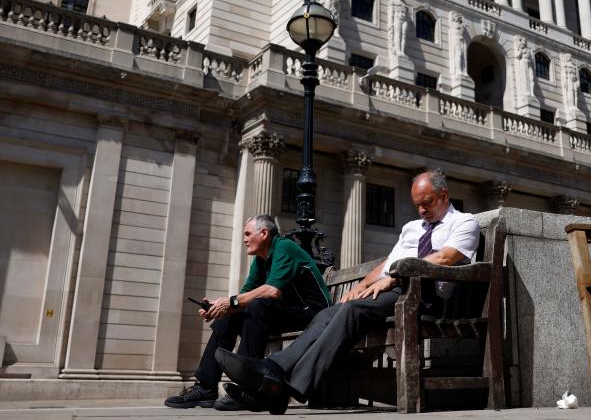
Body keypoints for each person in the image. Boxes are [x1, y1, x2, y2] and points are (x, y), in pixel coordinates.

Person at [214, 168, 479, 410]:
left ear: (443, 195)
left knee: (351, 311)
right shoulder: (411, 228)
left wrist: (398, 275)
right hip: (393, 291)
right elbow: (388, 262)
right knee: (332, 311)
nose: (421, 210)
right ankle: (274, 371)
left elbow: (445, 257)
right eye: (416, 205)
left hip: (426, 297)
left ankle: (283, 385)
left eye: (426, 203)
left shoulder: (464, 223)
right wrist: (362, 284)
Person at [164, 214, 330, 411]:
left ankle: (248, 388)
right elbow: (242, 298)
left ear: (264, 233)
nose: (244, 239)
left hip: (314, 314)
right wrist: (219, 308)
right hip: (284, 313)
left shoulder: (284, 247)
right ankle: (206, 387)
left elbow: (271, 291)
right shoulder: (261, 260)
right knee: (234, 313)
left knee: (256, 306)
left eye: (247, 234)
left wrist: (231, 302)